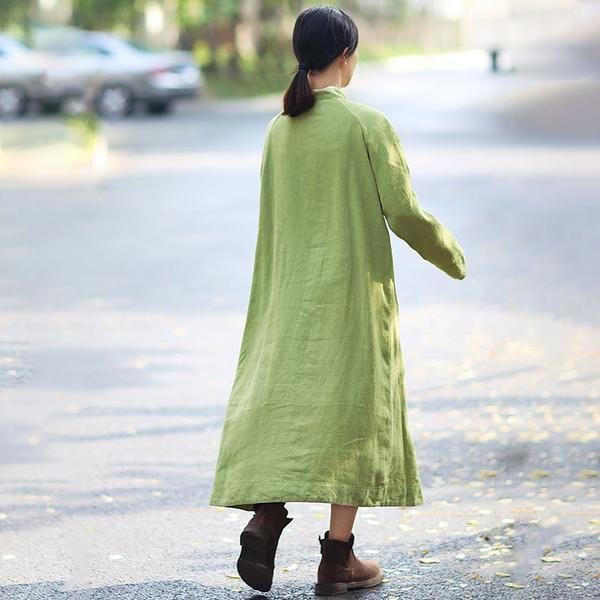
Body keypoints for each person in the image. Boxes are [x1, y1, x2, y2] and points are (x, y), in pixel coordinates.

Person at [208, 5, 467, 596]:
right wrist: (451, 255)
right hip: (351, 298)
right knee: (352, 415)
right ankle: (338, 560)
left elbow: (275, 216)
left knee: (280, 403)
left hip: (286, 294)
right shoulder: (366, 123)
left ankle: (268, 513)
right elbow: (403, 212)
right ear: (346, 56)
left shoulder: (279, 129)